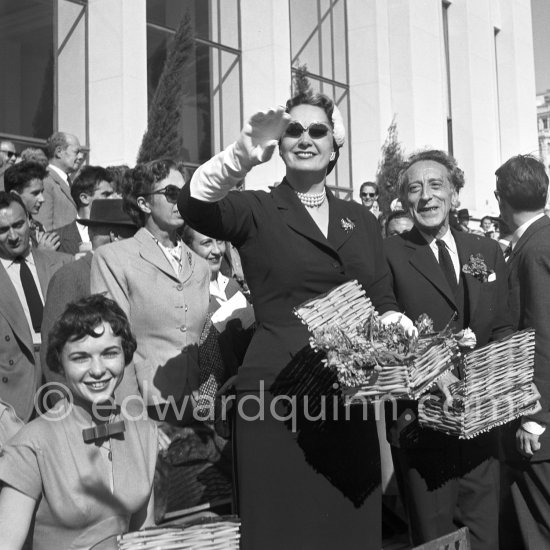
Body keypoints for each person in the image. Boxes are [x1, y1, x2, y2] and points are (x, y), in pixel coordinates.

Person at [178, 93, 413, 550]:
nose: (306, 138)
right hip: (277, 397)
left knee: (348, 532)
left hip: (350, 396)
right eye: (294, 130)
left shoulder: (361, 219)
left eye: (318, 130)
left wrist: (395, 327)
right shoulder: (257, 208)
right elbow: (194, 207)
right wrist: (240, 156)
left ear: (334, 145)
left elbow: (381, 294)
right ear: (280, 145)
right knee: (282, 531)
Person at [383, 149, 513, 549]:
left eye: (437, 185)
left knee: (485, 535)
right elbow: (385, 325)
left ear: (455, 194)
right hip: (423, 428)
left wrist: (502, 378)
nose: (426, 197)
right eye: (415, 189)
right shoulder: (388, 254)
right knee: (435, 540)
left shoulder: (485, 250)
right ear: (404, 201)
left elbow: (505, 324)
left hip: (483, 426)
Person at [0, 294, 157, 549]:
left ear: (125, 355)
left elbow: (144, 538)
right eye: (81, 357)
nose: (97, 370)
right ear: (60, 363)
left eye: (109, 353)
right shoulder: (31, 446)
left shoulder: (142, 431)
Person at [91, 159, 210, 426]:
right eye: (171, 194)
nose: (181, 201)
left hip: (198, 406)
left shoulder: (201, 266)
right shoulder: (114, 258)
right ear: (144, 204)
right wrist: (131, 415)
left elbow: (202, 340)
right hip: (145, 407)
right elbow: (111, 342)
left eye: (187, 193)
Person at [494, 154, 550, 549]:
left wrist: (534, 416)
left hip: (539, 422)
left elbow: (542, 334)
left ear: (501, 201)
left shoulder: (533, 251)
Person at [41, 198, 138, 391]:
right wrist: (66, 410)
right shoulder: (71, 276)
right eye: (134, 237)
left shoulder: (132, 275)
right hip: (86, 407)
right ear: (114, 237)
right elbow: (53, 350)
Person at [0, 192, 72, 421]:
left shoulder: (63, 264)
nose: (12, 236)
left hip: (62, 380)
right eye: (2, 230)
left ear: (30, 221)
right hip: (13, 393)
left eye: (18, 225)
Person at [55, 165, 115, 255]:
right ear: (84, 198)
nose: (112, 199)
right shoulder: (56, 239)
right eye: (105, 194)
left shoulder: (119, 234)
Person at [3, 161, 61, 251]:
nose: (42, 199)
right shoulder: (4, 229)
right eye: (35, 193)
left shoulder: (37, 226)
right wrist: (41, 253)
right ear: (15, 195)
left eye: (42, 192)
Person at [34, 132, 81, 231]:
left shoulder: (68, 181)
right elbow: (44, 228)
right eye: (76, 152)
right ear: (59, 152)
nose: (80, 157)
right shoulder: (45, 180)